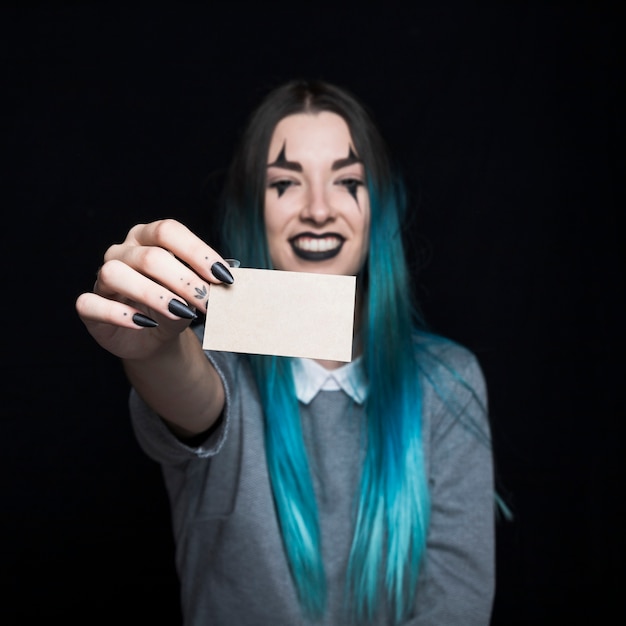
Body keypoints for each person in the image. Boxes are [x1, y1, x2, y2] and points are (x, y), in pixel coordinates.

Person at [75, 79, 495, 625]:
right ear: (255, 208)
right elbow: (190, 390)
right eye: (285, 184)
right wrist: (151, 353)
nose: (318, 210)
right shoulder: (219, 363)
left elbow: (456, 605)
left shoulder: (448, 382)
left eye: (347, 181)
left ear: (379, 208)